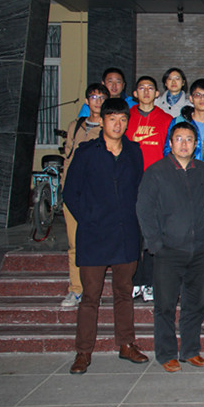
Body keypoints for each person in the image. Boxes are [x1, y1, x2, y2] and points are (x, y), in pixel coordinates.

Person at [62, 98, 147, 374]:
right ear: (102, 121)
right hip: (94, 235)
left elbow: (138, 189)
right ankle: (83, 352)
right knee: (90, 296)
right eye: (112, 119)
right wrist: (89, 219)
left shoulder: (134, 152)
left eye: (122, 119)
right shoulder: (87, 152)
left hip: (125, 234)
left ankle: (126, 344)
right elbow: (70, 193)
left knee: (124, 293)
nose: (117, 124)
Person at [136, 121, 204, 372]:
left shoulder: (203, 171)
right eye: (179, 139)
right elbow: (144, 209)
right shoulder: (156, 171)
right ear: (170, 143)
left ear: (196, 144)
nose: (184, 144)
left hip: (200, 250)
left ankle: (190, 350)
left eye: (189, 139)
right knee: (165, 305)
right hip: (168, 251)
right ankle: (166, 353)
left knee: (197, 304)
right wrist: (155, 244)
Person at [60, 83, 109, 307]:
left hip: (98, 196)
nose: (97, 101)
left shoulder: (110, 127)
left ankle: (93, 290)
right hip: (74, 194)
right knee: (74, 244)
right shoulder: (76, 126)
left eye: (102, 98)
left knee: (97, 243)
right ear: (87, 101)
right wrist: (64, 188)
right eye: (94, 97)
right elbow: (67, 159)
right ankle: (76, 289)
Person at [126, 76, 173, 303]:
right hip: (130, 183)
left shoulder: (166, 119)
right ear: (135, 93)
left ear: (157, 94)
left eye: (150, 88)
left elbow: (168, 152)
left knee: (153, 234)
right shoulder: (126, 117)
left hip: (156, 184)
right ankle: (135, 281)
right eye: (141, 88)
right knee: (133, 234)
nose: (146, 92)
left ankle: (150, 282)